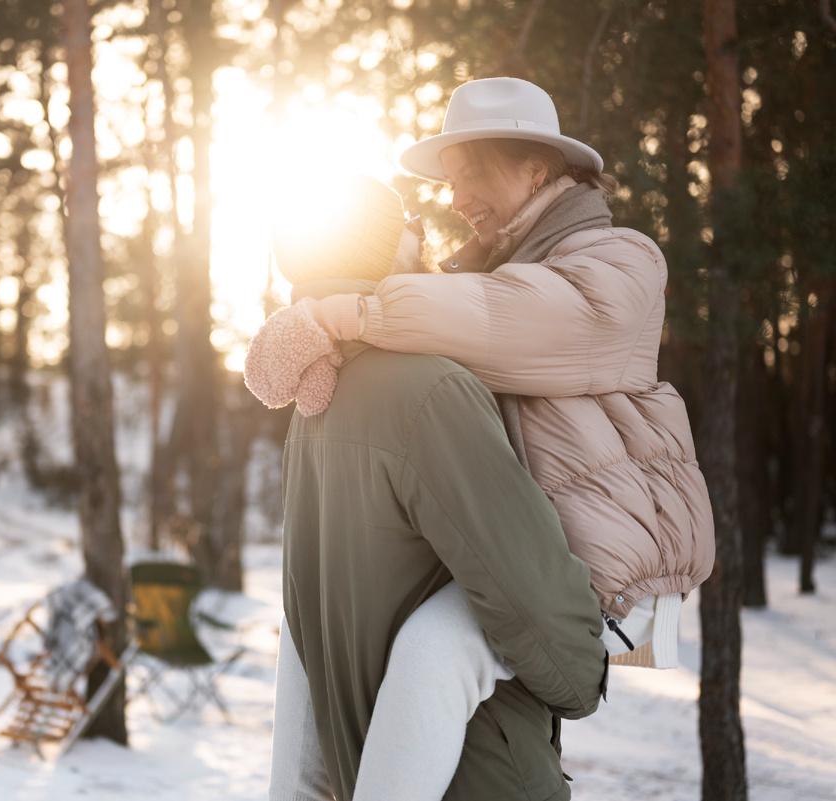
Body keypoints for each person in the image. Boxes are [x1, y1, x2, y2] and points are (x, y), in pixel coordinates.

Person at [248, 77, 716, 799]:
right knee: (327, 639)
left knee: (437, 649)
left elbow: (504, 319)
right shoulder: (482, 278)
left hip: (605, 565)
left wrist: (345, 314)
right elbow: (446, 322)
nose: (456, 197)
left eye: (472, 175)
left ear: (537, 167)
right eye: (450, 181)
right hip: (540, 544)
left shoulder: (621, 263)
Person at [248, 175, 609, 801]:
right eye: (407, 223)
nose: (423, 232)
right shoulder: (430, 390)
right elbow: (525, 585)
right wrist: (586, 671)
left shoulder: (316, 404)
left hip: (374, 764)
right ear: (380, 250)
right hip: (476, 775)